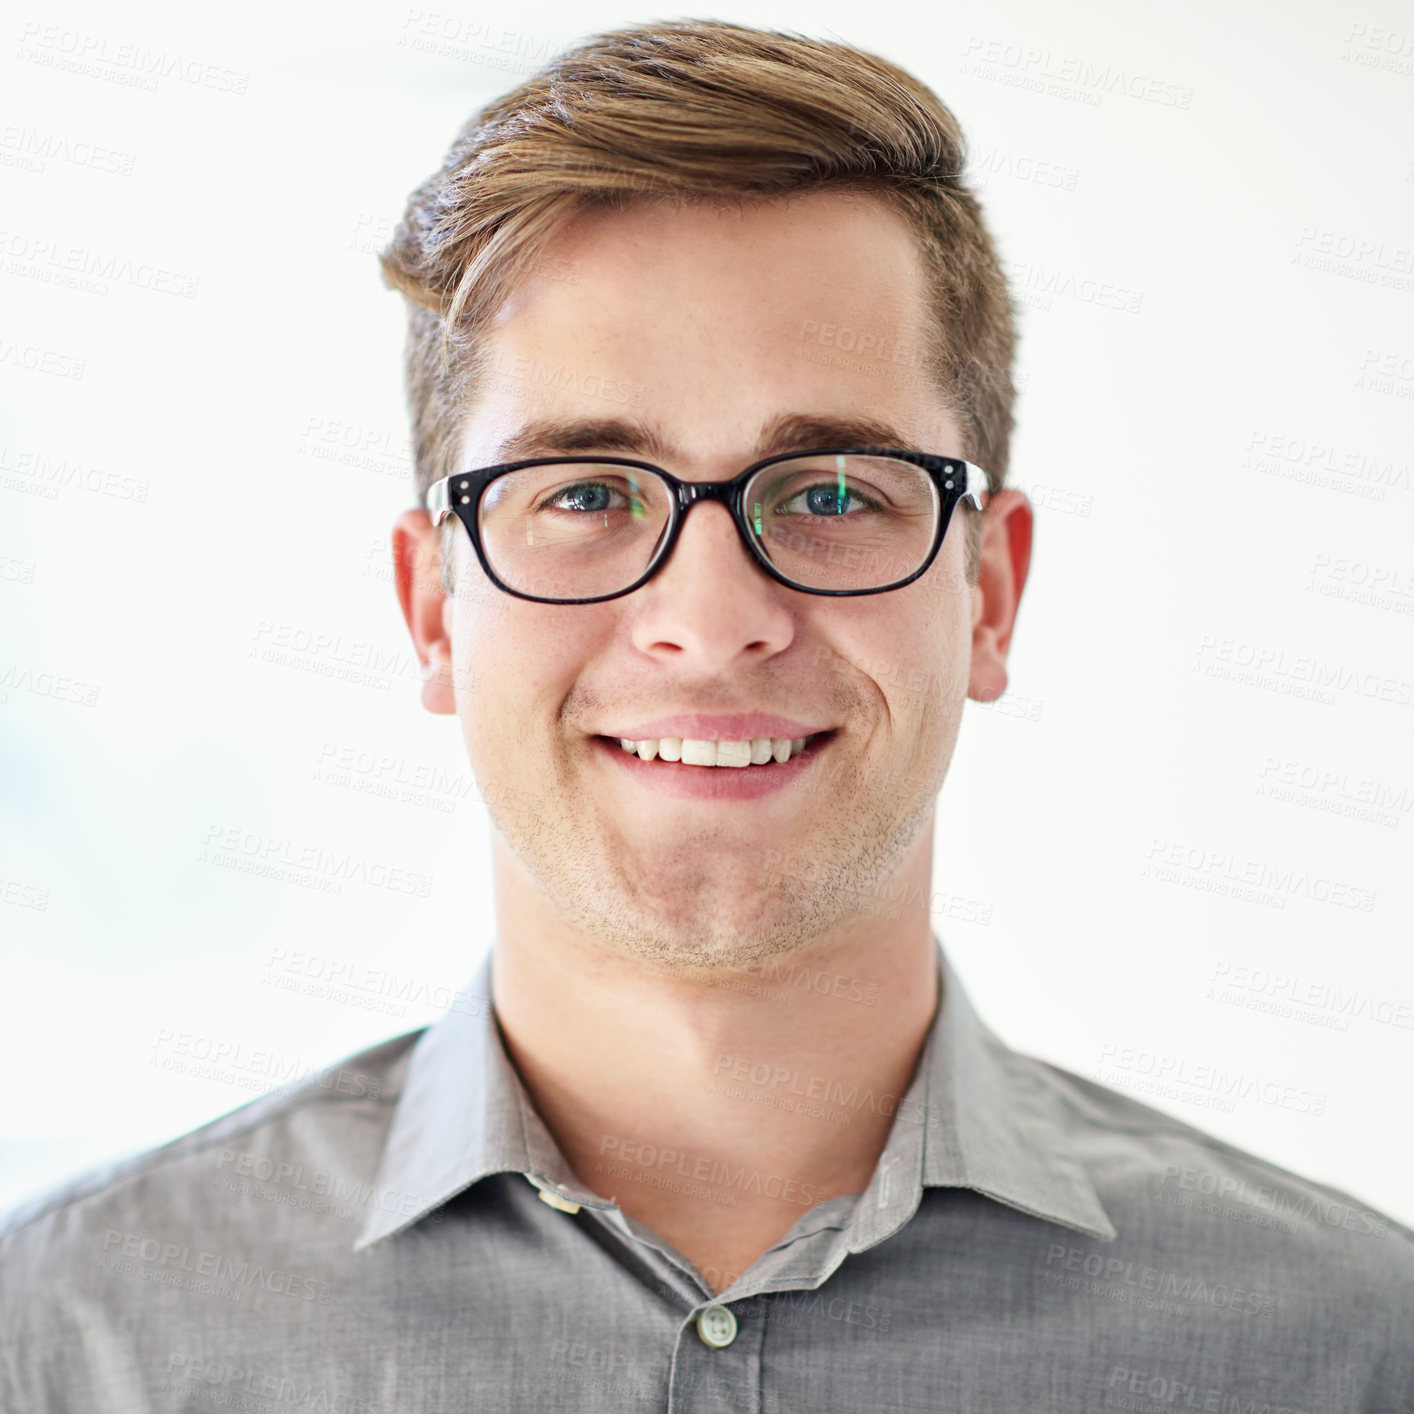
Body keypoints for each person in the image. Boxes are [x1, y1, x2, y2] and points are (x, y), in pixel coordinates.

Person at [2, 18, 1408, 1413]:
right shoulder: (64, 1343)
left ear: (988, 592)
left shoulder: (1351, 1351)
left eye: (835, 492)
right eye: (588, 493)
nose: (711, 615)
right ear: (432, 606)